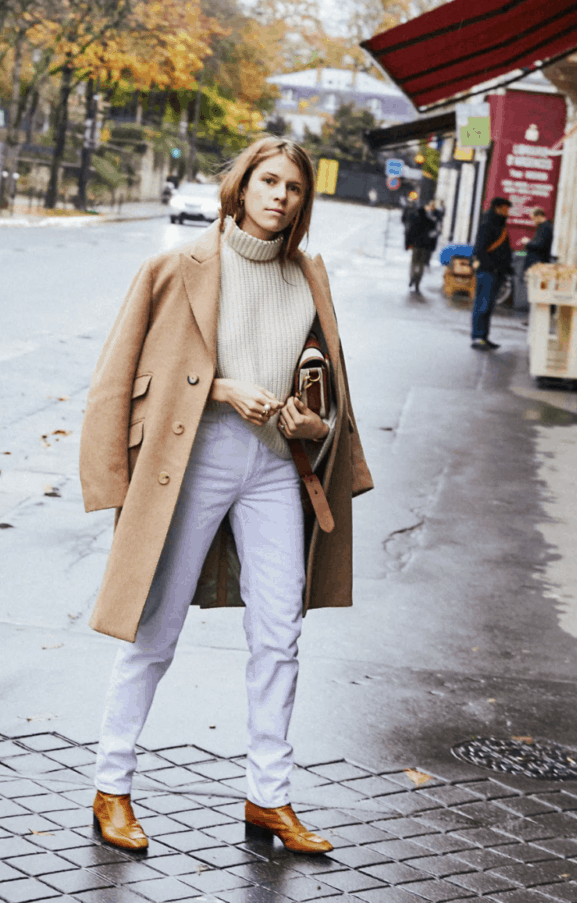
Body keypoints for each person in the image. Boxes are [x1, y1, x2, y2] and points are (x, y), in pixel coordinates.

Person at [80, 137, 373, 855]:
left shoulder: (308, 277)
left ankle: (268, 799)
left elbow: (324, 381)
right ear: (241, 187)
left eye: (294, 188)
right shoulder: (180, 266)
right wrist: (221, 388)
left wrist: (317, 421)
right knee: (155, 628)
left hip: (277, 464)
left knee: (281, 635)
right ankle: (110, 787)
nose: (279, 195)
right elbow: (124, 367)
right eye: (267, 181)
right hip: (193, 459)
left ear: (304, 202)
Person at [471, 196, 513, 350]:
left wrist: (507, 268)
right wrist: (492, 266)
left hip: (497, 272)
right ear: (497, 208)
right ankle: (477, 337)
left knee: (488, 306)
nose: (507, 212)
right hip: (488, 272)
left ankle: (484, 336)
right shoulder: (487, 226)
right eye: (505, 208)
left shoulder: (500, 227)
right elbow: (480, 250)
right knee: (482, 305)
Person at [406, 204, 435, 294]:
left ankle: (412, 277)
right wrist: (431, 247)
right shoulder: (429, 221)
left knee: (414, 263)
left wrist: (407, 244)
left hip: (416, 246)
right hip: (425, 247)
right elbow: (433, 234)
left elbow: (409, 233)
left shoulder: (414, 221)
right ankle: (417, 283)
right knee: (421, 265)